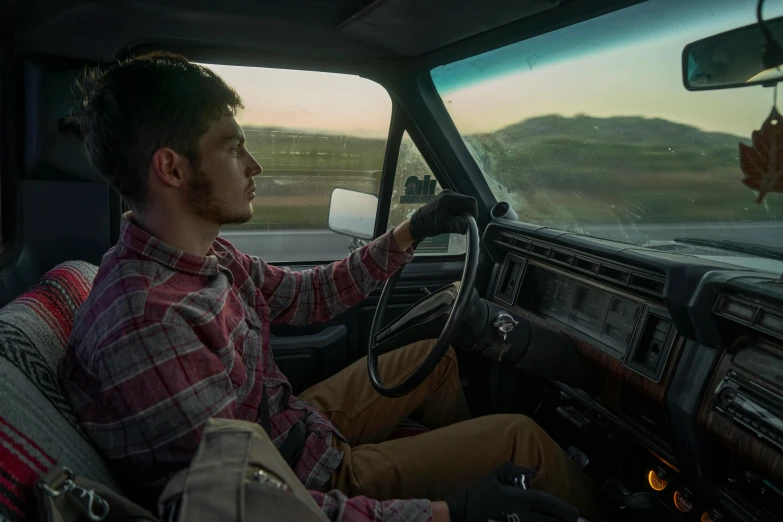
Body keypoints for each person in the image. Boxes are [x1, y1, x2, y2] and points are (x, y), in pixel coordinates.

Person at [60, 52, 599, 522]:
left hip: (290, 431)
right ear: (172, 169)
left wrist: (412, 231)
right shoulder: (153, 324)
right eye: (232, 148)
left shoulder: (203, 258)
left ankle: (470, 476)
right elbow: (256, 507)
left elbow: (308, 295)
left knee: (435, 361)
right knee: (522, 439)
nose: (255, 164)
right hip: (303, 483)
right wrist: (447, 513)